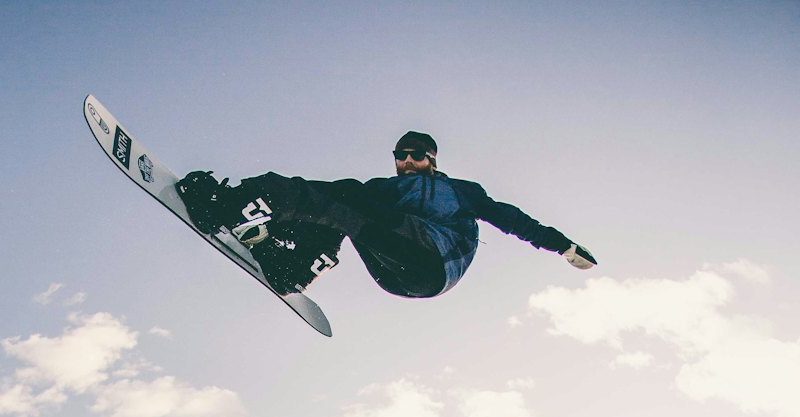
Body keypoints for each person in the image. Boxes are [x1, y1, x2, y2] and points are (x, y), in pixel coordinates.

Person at [176, 130, 596, 300]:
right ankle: (294, 266)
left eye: (417, 156)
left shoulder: (461, 191)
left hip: (432, 257)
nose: (407, 162)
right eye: (401, 156)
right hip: (398, 276)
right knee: (342, 204)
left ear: (432, 159)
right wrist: (278, 226)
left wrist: (563, 246)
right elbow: (330, 205)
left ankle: (238, 204)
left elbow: (513, 220)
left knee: (345, 199)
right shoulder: (382, 191)